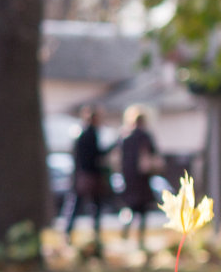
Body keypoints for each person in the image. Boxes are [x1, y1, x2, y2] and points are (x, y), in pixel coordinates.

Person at [65, 106, 110, 247]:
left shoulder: (80, 134)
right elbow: (96, 155)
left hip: (81, 174)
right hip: (90, 175)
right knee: (94, 206)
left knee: (77, 206)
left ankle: (68, 232)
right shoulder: (90, 134)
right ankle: (94, 236)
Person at [118, 106, 161, 248]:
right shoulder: (145, 136)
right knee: (142, 209)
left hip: (129, 178)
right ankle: (140, 239)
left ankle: (126, 231)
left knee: (130, 206)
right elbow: (154, 153)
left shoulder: (125, 137)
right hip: (142, 177)